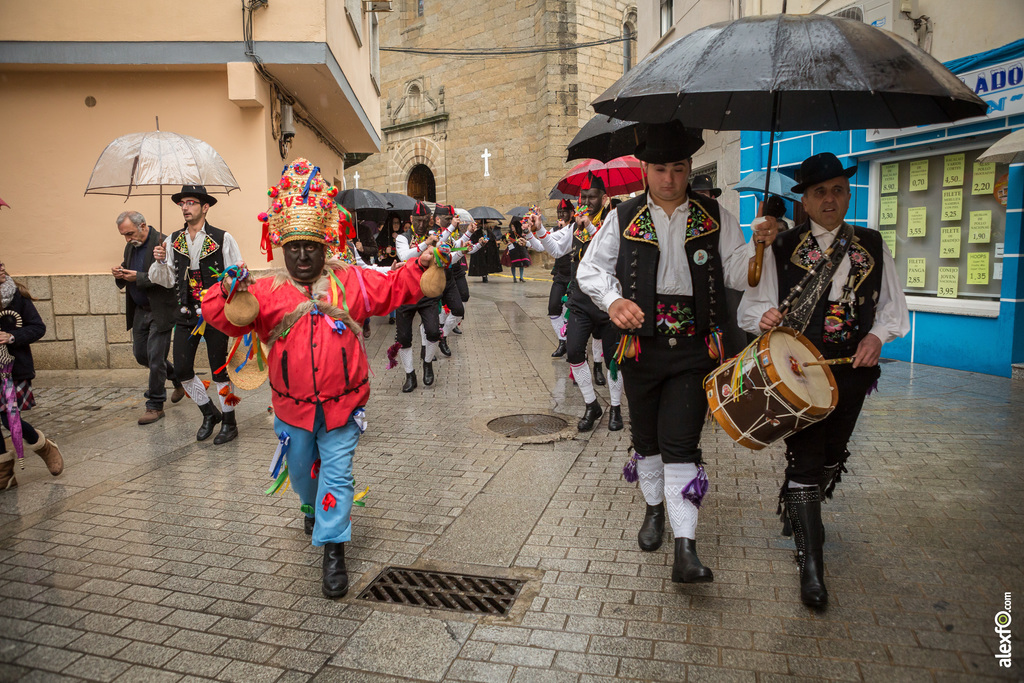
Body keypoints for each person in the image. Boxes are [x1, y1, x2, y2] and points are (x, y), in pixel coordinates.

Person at [202, 158, 435, 598]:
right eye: (294, 247)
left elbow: (393, 288)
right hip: (291, 411)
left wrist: (421, 265)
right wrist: (227, 289)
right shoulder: (265, 293)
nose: (304, 255)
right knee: (303, 475)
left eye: (311, 245)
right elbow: (221, 316)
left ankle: (333, 548)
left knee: (338, 475)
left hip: (344, 406)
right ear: (281, 247)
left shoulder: (352, 283)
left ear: (325, 243)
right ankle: (309, 505)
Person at [577, 121, 774, 583]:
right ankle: (653, 511)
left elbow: (736, 273)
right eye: (661, 168)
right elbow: (591, 271)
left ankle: (686, 547)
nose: (670, 179)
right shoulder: (623, 217)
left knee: (681, 443)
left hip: (695, 347)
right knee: (646, 441)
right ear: (645, 169)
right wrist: (615, 300)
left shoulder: (715, 214)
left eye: (679, 169)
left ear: (689, 170)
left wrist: (759, 247)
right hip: (639, 347)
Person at [739, 152, 909, 608]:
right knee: (807, 458)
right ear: (806, 202)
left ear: (847, 194)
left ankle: (800, 509)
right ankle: (811, 566)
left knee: (834, 453)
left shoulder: (871, 243)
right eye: (820, 192)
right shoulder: (780, 246)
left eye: (837, 190)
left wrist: (877, 336)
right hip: (800, 371)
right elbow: (750, 307)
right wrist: (765, 316)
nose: (830, 199)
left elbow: (893, 305)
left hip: (854, 369)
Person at [527, 173, 624, 432]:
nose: (588, 201)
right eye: (584, 197)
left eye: (593, 197)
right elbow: (557, 249)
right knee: (574, 352)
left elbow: (613, 250)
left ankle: (616, 407)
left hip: (607, 301)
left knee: (614, 358)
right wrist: (539, 230)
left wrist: (590, 226)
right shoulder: (575, 226)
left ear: (604, 198)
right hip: (581, 299)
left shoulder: (613, 220)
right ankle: (592, 404)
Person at [151, 185, 245, 444]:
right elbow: (166, 280)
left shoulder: (222, 238)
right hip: (185, 313)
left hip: (215, 312)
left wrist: (234, 281)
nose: (185, 207)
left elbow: (236, 273)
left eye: (191, 202)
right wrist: (159, 261)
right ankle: (209, 412)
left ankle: (229, 421)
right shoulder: (172, 240)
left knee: (219, 371)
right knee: (182, 370)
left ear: (205, 207)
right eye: (182, 203)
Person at [112, 211, 182, 425]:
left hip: (160, 310)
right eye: (123, 235)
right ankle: (177, 377)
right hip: (140, 310)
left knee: (154, 359)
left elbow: (169, 278)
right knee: (142, 355)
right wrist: (120, 272)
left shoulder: (164, 243)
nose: (127, 238)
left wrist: (138, 277)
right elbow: (130, 269)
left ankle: (155, 405)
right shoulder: (130, 246)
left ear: (143, 225)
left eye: (130, 233)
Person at [0, 262, 63, 489]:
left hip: (13, 369)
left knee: (9, 418)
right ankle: (4, 474)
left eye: (2, 264)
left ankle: (44, 446)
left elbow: (38, 327)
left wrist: (11, 337)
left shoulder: (17, 296)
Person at [392, 202, 443, 392]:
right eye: (418, 221)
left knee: (433, 332)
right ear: (411, 219)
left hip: (427, 292)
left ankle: (427, 363)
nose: (421, 225)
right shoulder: (402, 238)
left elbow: (445, 258)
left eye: (424, 221)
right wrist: (426, 244)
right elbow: (405, 255)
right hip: (405, 292)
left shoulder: (435, 236)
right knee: (403, 337)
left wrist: (444, 253)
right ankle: (410, 374)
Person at [546, 200, 574, 357]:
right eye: (559, 213)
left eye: (564, 212)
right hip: (560, 274)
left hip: (574, 276)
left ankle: (572, 342)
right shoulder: (554, 230)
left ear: (572, 213)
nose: (562, 215)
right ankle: (562, 341)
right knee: (553, 308)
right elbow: (545, 244)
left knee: (571, 311)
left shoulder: (576, 227)